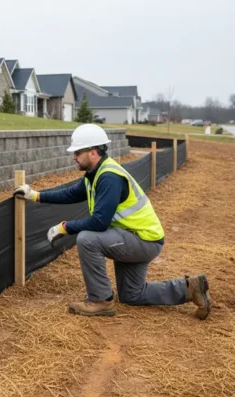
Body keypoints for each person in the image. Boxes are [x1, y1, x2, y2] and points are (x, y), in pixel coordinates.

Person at [13, 124, 211, 319]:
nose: (74, 157)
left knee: (87, 239)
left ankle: (100, 301)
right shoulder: (96, 173)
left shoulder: (108, 177)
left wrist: (65, 227)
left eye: (77, 152)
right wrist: (35, 195)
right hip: (137, 238)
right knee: (131, 294)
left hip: (142, 240)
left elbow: (100, 223)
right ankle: (189, 288)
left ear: (92, 152)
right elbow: (71, 193)